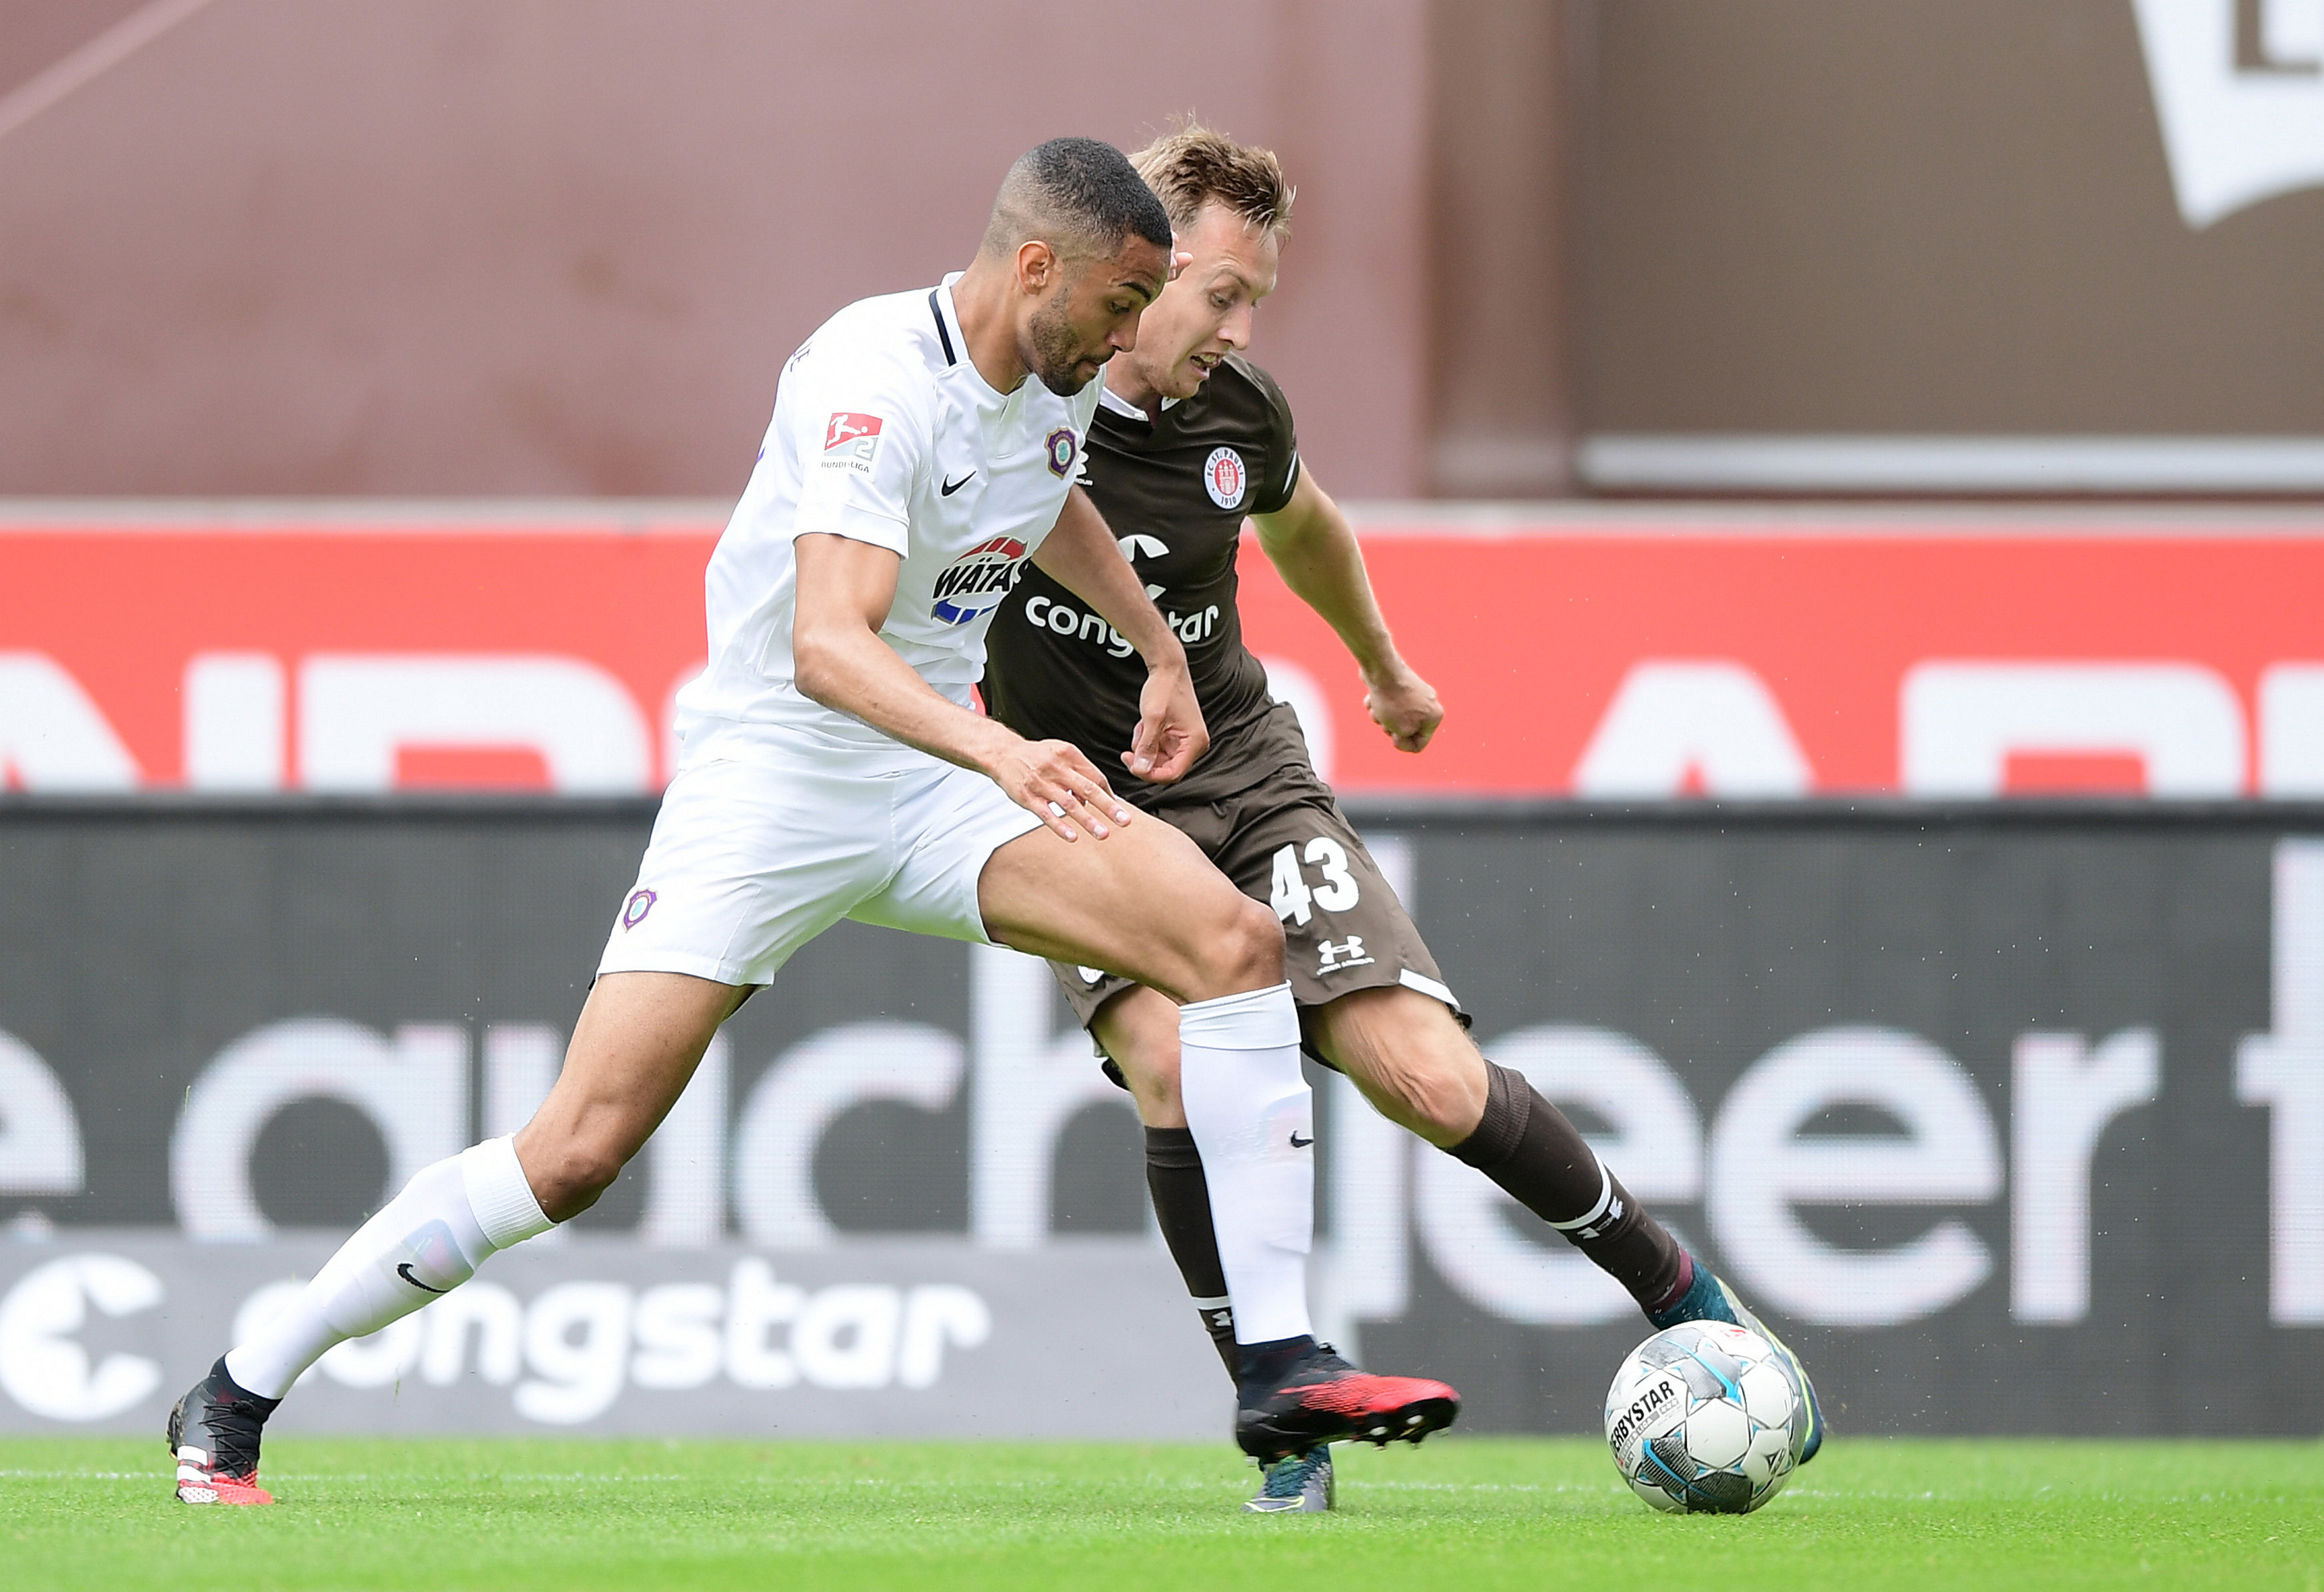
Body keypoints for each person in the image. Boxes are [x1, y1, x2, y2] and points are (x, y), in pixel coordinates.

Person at [165, 137, 1456, 1507]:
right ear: (1036, 269)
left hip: (938, 781)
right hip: (778, 780)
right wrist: (1000, 749)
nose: (1135, 336)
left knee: (1233, 943)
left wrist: (1155, 643)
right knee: (577, 1151)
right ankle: (240, 1385)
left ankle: (1278, 1369)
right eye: (1122, 304)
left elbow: (1045, 494)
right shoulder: (869, 378)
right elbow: (828, 648)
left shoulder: (1053, 372)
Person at [980, 125, 1825, 1515]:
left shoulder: (1237, 412)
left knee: (1425, 1078)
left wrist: (1381, 663)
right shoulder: (1013, 406)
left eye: (1258, 299)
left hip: (1241, 770)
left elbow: (1303, 524)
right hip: (1084, 793)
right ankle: (1289, 1426)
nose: (1241, 328)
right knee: (1170, 1065)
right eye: (1223, 294)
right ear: (1141, 265)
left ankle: (1689, 1300)